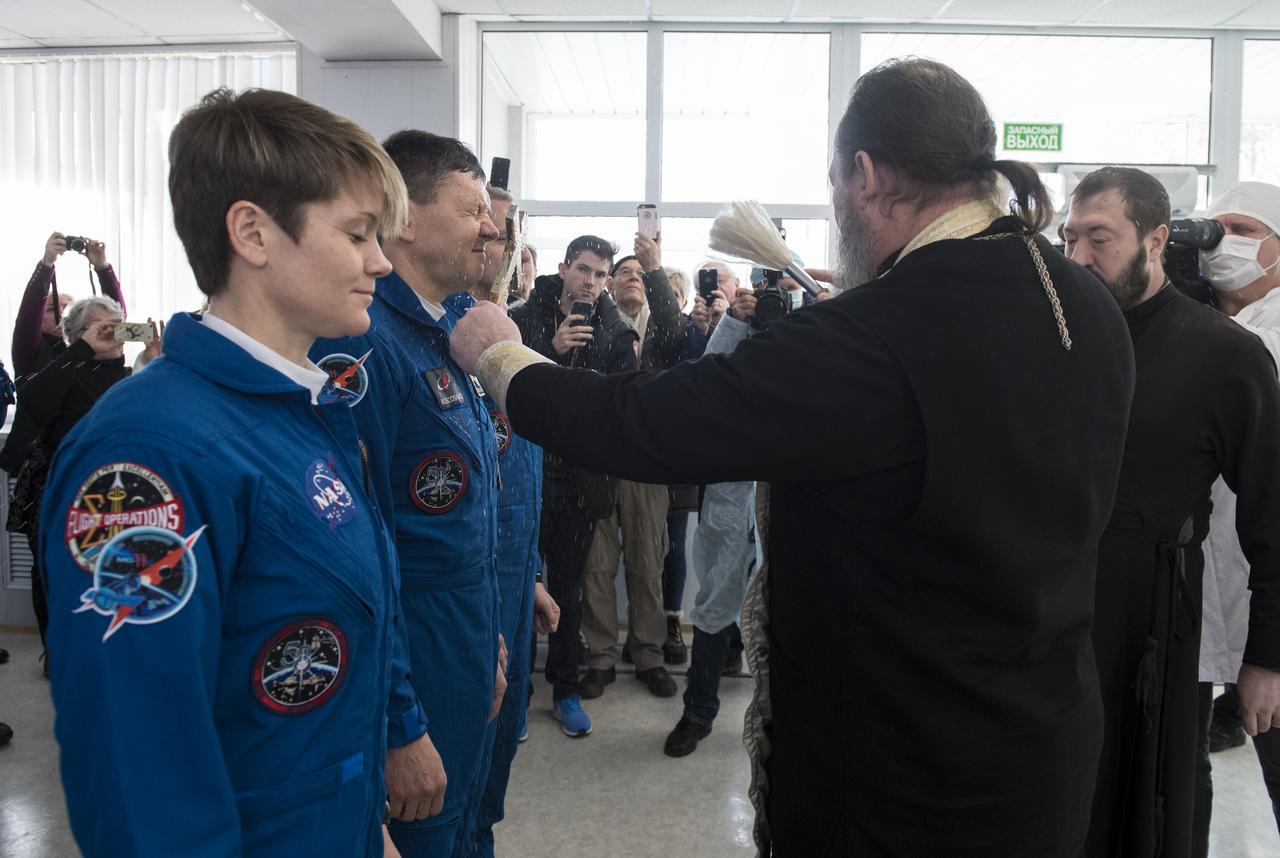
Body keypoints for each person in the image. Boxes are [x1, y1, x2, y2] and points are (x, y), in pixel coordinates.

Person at [451, 57, 1137, 856]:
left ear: (866, 174)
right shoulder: (1083, 300)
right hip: (1044, 749)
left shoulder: (874, 333)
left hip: (904, 778)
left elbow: (648, 423)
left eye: (835, 183)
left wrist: (504, 359)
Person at [39, 86, 411, 857]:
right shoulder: (149, 455)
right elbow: (142, 780)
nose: (380, 261)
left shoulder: (303, 412)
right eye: (358, 233)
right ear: (253, 232)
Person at [1061, 167, 1280, 858]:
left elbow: (1273, 516)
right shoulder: (1057, 341)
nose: (1078, 257)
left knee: (1148, 810)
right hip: (1054, 618)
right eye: (1069, 238)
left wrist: (1267, 658)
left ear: (1156, 241)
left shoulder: (1224, 355)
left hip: (1154, 620)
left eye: (1098, 238)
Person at [310, 130, 504, 858]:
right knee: (425, 833)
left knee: (465, 825)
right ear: (408, 217)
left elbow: (466, 511)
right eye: (472, 209)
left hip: (462, 639)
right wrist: (399, 722)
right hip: (414, 654)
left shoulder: (447, 328)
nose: (489, 228)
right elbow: (358, 550)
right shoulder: (365, 343)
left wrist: (489, 634)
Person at [446, 185, 560, 858]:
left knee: (488, 792)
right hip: (459, 608)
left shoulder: (508, 343)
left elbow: (513, 480)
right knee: (449, 801)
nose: (504, 240)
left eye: (513, 229)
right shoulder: (437, 345)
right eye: (490, 223)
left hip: (511, 586)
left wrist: (533, 577)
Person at [509, 235, 637, 737]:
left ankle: (565, 689)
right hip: (526, 473)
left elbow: (621, 401)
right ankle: (517, 692)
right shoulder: (524, 317)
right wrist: (551, 351)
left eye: (601, 274)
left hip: (581, 481)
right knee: (522, 586)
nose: (591, 282)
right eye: (583, 269)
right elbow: (504, 383)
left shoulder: (615, 329)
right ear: (563, 269)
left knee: (568, 591)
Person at [1193, 180, 1280, 848]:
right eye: (1216, 228)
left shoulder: (1263, 338)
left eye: (1244, 230)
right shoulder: (1197, 325)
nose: (1225, 242)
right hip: (1209, 592)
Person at [578, 243, 685, 700]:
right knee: (597, 566)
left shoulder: (661, 328)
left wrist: (656, 269)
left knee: (647, 564)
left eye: (642, 274)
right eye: (624, 272)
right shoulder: (594, 323)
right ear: (609, 282)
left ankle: (649, 655)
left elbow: (679, 334)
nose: (633, 277)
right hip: (598, 459)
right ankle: (600, 657)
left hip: (645, 462)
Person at [1, 296, 132, 659]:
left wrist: (159, 361)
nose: (113, 333)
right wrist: (81, 350)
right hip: (56, 488)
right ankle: (56, 653)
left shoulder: (130, 375)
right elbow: (31, 398)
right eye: (102, 327)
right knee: (51, 573)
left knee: (110, 572)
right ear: (75, 334)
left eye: (119, 326)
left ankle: (102, 652)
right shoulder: (62, 367)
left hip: (111, 492)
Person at [664, 284, 762, 758]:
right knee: (714, 603)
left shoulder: (814, 326)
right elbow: (707, 377)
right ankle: (698, 713)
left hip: (787, 492)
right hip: (731, 490)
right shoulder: (736, 333)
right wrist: (736, 321)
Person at [12, 232, 126, 380]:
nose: (62, 313)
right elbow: (29, 316)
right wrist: (47, 263)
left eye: (68, 308)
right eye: (52, 309)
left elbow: (116, 318)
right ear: (40, 319)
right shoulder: (32, 351)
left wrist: (102, 266)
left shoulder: (99, 349)